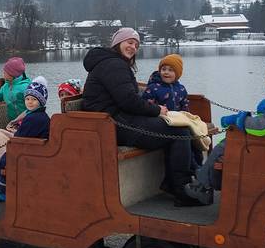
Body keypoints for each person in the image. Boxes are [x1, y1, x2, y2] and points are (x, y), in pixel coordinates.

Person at [82, 27, 200, 206]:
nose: (133, 47)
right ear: (118, 43)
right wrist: (156, 110)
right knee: (180, 132)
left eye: (136, 45)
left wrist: (153, 111)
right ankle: (181, 190)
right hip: (114, 124)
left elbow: (127, 98)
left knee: (176, 128)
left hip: (116, 120)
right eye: (129, 42)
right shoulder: (114, 65)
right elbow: (128, 100)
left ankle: (173, 184)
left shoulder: (112, 62)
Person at [183, 57, 265, 205]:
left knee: (222, 148)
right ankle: (204, 181)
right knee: (225, 144)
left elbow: (264, 126)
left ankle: (203, 186)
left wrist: (240, 120)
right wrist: (242, 119)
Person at [0, 78, 51, 202]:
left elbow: (18, 139)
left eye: (34, 100)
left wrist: (15, 133)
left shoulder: (32, 118)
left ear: (41, 102)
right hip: (38, 149)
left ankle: (1, 189)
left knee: (4, 158)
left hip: (30, 152)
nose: (29, 102)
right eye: (27, 99)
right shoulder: (42, 116)